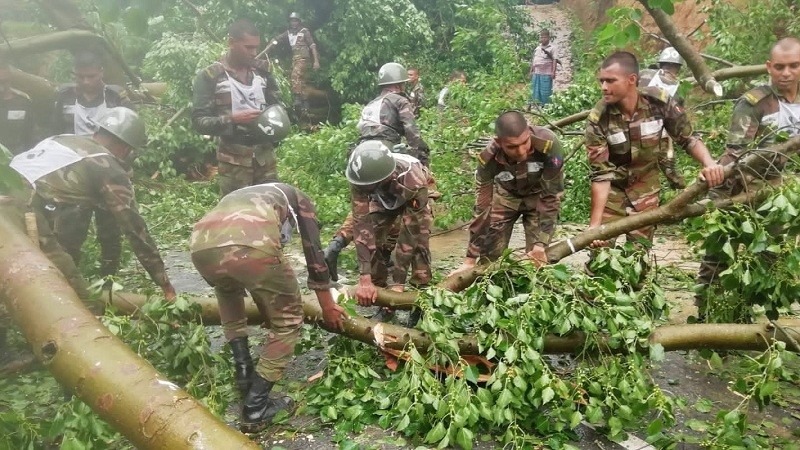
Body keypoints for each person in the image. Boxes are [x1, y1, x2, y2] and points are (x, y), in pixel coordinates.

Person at [189, 182, 346, 432]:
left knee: (228, 291)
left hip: (200, 247)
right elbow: (315, 258)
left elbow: (253, 277)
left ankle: (244, 375)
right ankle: (256, 407)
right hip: (251, 245)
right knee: (289, 319)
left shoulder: (245, 194)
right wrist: (327, 307)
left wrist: (267, 309)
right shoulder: (301, 200)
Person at [9, 107, 177, 307]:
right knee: (77, 294)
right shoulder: (106, 164)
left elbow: (108, 225)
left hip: (11, 194)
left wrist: (108, 274)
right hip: (20, 208)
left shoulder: (62, 139)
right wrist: (164, 283)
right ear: (126, 149)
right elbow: (133, 227)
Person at [695, 37, 800, 319]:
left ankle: (751, 318)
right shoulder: (754, 102)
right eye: (779, 67)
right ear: (769, 67)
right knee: (718, 256)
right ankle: (705, 316)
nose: (786, 73)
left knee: (771, 255)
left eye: (793, 66)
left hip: (779, 191)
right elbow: (738, 154)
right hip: (739, 187)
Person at [585, 51, 724, 248]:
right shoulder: (598, 119)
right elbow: (601, 174)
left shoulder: (659, 102)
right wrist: (595, 226)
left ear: (631, 80)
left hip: (646, 188)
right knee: (600, 255)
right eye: (601, 81)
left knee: (638, 256)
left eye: (610, 81)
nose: (604, 87)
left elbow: (688, 138)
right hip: (612, 192)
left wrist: (709, 163)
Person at [322, 62, 431, 281]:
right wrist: (422, 159)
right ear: (400, 83)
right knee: (397, 205)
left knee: (367, 207)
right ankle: (393, 263)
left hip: (360, 155)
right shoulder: (400, 100)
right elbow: (412, 133)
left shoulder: (371, 104)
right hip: (383, 153)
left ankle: (339, 243)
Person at [52, 50, 132, 277]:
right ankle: (70, 273)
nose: (86, 82)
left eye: (91, 76)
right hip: (74, 173)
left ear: (101, 73)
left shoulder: (116, 98)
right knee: (70, 228)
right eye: (80, 77)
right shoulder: (64, 98)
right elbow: (55, 133)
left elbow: (132, 135)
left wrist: (123, 168)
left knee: (110, 227)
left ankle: (109, 274)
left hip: (109, 170)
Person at [453, 111, 564, 272]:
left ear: (528, 132)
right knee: (490, 255)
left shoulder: (549, 144)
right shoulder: (488, 159)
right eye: (512, 147)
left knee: (537, 260)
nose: (520, 151)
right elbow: (483, 208)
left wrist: (541, 242)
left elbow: (551, 196)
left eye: (524, 142)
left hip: (539, 197)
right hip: (506, 197)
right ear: (499, 142)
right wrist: (470, 259)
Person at [193, 19, 283, 196]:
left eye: (256, 47)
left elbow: (278, 106)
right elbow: (198, 121)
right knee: (236, 216)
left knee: (270, 212)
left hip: (265, 159)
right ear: (231, 43)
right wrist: (232, 119)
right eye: (248, 47)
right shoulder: (211, 77)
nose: (254, 53)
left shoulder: (263, 72)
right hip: (233, 164)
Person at [345, 141, 432, 315]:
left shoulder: (413, 180)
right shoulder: (360, 178)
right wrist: (365, 277)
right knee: (373, 237)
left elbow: (408, 236)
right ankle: (380, 293)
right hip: (383, 197)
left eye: (367, 187)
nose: (363, 189)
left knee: (419, 246)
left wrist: (398, 285)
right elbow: (362, 225)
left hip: (410, 193)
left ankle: (420, 299)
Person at [638, 47, 687, 189]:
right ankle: (676, 183)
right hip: (654, 130)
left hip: (631, 126)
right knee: (666, 161)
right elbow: (676, 120)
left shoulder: (642, 74)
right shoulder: (677, 90)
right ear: (677, 68)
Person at [264, 12, 321, 121]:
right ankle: (305, 106)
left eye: (295, 21)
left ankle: (297, 99)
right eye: (292, 21)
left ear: (299, 22)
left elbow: (312, 46)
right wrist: (272, 42)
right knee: (301, 82)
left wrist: (316, 61)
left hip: (303, 59)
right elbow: (278, 39)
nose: (293, 23)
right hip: (295, 60)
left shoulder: (304, 32)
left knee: (295, 76)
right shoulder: (289, 33)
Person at [0, 56, 37, 155]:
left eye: (4, 81)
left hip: (17, 157)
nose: (1, 85)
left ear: (10, 78)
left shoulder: (23, 102)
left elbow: (31, 135)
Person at [528, 30, 558, 109]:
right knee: (535, 89)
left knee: (545, 91)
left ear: (548, 38)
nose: (543, 39)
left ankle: (546, 106)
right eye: (541, 37)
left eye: (544, 37)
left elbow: (554, 60)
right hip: (536, 72)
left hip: (546, 73)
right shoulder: (537, 48)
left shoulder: (552, 48)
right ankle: (536, 105)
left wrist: (553, 72)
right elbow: (534, 60)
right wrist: (531, 71)